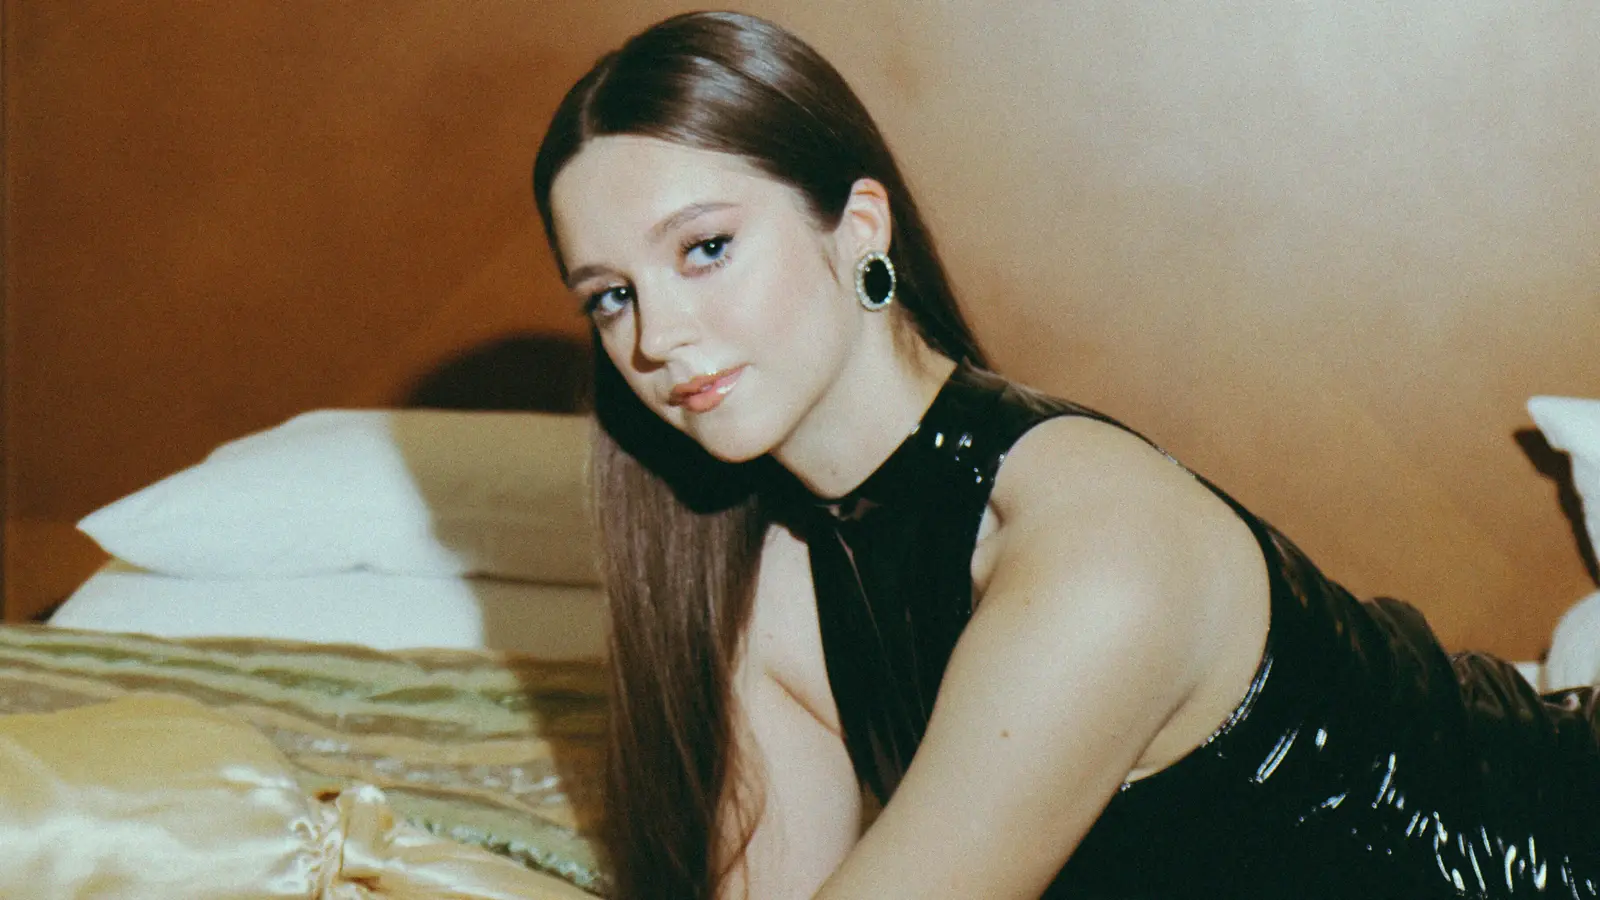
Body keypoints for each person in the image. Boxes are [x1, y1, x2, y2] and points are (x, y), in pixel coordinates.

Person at [532, 11, 1600, 900]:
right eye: (611, 296)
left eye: (706, 248)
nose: (656, 337)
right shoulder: (774, 584)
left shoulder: (1091, 552)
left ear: (859, 227)